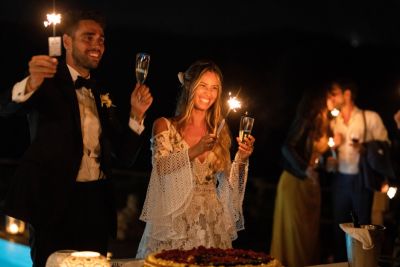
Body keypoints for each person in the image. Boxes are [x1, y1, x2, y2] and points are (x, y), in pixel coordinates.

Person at [0, 10, 153, 267]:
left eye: (101, 39)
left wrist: (136, 117)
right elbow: (5, 107)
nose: (97, 44)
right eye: (88, 37)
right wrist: (31, 81)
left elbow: (124, 157)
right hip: (53, 202)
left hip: (95, 203)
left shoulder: (101, 91)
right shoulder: (46, 81)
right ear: (67, 42)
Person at [135, 59, 255, 258]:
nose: (209, 94)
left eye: (214, 88)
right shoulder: (164, 125)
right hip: (174, 223)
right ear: (189, 86)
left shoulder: (221, 131)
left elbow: (227, 187)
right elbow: (161, 168)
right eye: (203, 86)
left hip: (209, 224)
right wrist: (196, 150)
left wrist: (241, 159)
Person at [270, 87, 335, 267]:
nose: (334, 98)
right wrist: (305, 169)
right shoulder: (307, 120)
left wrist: (325, 162)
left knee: (309, 236)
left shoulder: (326, 121)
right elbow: (287, 147)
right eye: (331, 94)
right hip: (294, 182)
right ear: (320, 97)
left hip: (312, 185)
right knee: (294, 235)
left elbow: (316, 156)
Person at [327, 79, 389, 262]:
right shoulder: (334, 121)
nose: (332, 97)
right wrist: (331, 155)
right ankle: (341, 262)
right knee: (339, 226)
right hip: (340, 180)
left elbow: (385, 146)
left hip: (362, 180)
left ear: (347, 94)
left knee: (362, 226)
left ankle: (363, 262)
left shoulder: (370, 117)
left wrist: (366, 148)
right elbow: (330, 151)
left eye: (335, 93)